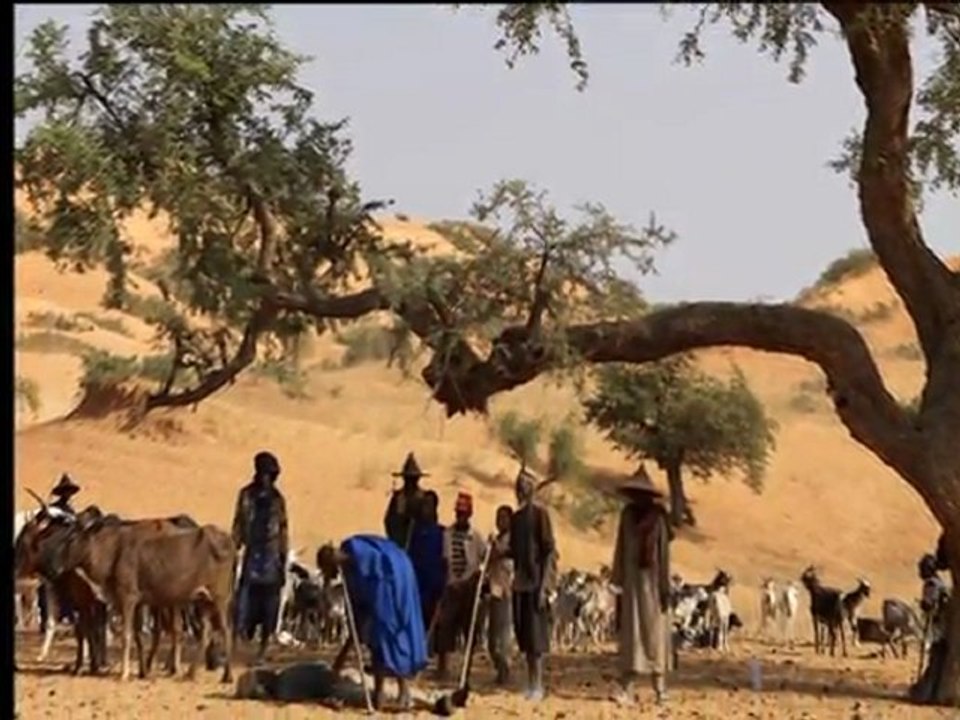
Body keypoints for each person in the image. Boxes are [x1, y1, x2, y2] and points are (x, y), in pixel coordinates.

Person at [318, 535, 428, 711]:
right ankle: (380, 692)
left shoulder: (360, 556)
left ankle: (402, 693)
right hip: (384, 584)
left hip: (394, 580)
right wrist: (340, 660)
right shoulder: (350, 571)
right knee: (378, 640)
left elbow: (372, 603)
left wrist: (341, 658)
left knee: (390, 638)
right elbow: (357, 617)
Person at [609, 465, 673, 706]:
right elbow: (620, 548)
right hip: (632, 586)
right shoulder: (627, 516)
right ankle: (627, 688)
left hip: (654, 585)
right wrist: (617, 580)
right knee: (631, 637)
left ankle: (660, 689)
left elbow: (664, 555)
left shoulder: (658, 519)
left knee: (655, 636)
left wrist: (665, 587)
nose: (637, 499)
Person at [231, 451, 289, 665]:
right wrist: (233, 550)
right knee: (243, 605)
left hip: (271, 559)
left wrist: (283, 562)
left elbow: (283, 531)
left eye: (271, 474)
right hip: (251, 556)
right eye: (265, 473)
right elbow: (238, 524)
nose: (267, 478)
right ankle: (235, 649)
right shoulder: (246, 495)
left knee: (269, 608)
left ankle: (263, 650)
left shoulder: (277, 500)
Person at [507, 467, 557, 702]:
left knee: (536, 639)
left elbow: (548, 551)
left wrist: (544, 585)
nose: (521, 488)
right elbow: (514, 550)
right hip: (520, 583)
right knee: (525, 636)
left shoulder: (540, 515)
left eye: (525, 484)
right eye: (519, 484)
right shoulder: (516, 520)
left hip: (536, 581)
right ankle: (530, 682)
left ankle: (538, 684)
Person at [435, 492, 487, 681]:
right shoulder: (447, 534)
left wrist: (477, 576)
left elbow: (485, 558)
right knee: (445, 627)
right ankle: (443, 668)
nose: (460, 517)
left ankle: (468, 669)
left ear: (469, 514)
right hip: (451, 586)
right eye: (458, 513)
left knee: (469, 628)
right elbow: (444, 560)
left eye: (464, 514)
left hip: (470, 588)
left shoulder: (476, 537)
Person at [39, 473, 82, 632]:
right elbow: (43, 521)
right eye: (65, 491)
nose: (68, 494)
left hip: (69, 542)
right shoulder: (55, 508)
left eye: (69, 491)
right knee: (48, 581)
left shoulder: (72, 510)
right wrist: (53, 515)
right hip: (55, 544)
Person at [910, 540, 951, 704]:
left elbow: (929, 605)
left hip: (937, 626)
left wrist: (923, 605)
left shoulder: (931, 584)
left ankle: (926, 694)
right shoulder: (940, 583)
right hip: (943, 624)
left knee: (935, 660)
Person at [408, 490, 445, 640]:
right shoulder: (414, 532)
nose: (425, 509)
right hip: (417, 585)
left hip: (435, 586)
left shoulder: (442, 532)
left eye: (429, 505)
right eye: (424, 505)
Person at [486, 504, 515, 686]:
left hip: (507, 591)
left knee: (503, 636)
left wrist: (495, 550)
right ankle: (499, 666)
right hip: (495, 590)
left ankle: (504, 670)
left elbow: (504, 555)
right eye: (498, 518)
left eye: (504, 518)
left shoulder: (513, 540)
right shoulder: (498, 539)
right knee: (491, 637)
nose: (500, 522)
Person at [384, 452, 429, 550]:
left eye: (413, 479)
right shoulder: (398, 498)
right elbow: (389, 521)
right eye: (408, 479)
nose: (410, 482)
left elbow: (429, 524)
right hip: (400, 544)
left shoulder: (425, 498)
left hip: (420, 547)